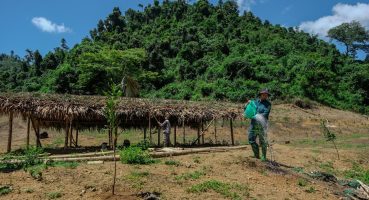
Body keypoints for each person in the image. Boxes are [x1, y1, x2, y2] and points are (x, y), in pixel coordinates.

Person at [245, 89, 271, 161]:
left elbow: (265, 114)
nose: (265, 96)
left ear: (267, 96)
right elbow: (248, 109)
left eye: (266, 95)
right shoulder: (255, 102)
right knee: (251, 139)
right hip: (253, 124)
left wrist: (255, 116)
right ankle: (256, 155)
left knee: (263, 141)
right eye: (263, 94)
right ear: (260, 95)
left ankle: (263, 157)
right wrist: (247, 104)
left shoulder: (268, 104)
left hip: (262, 124)